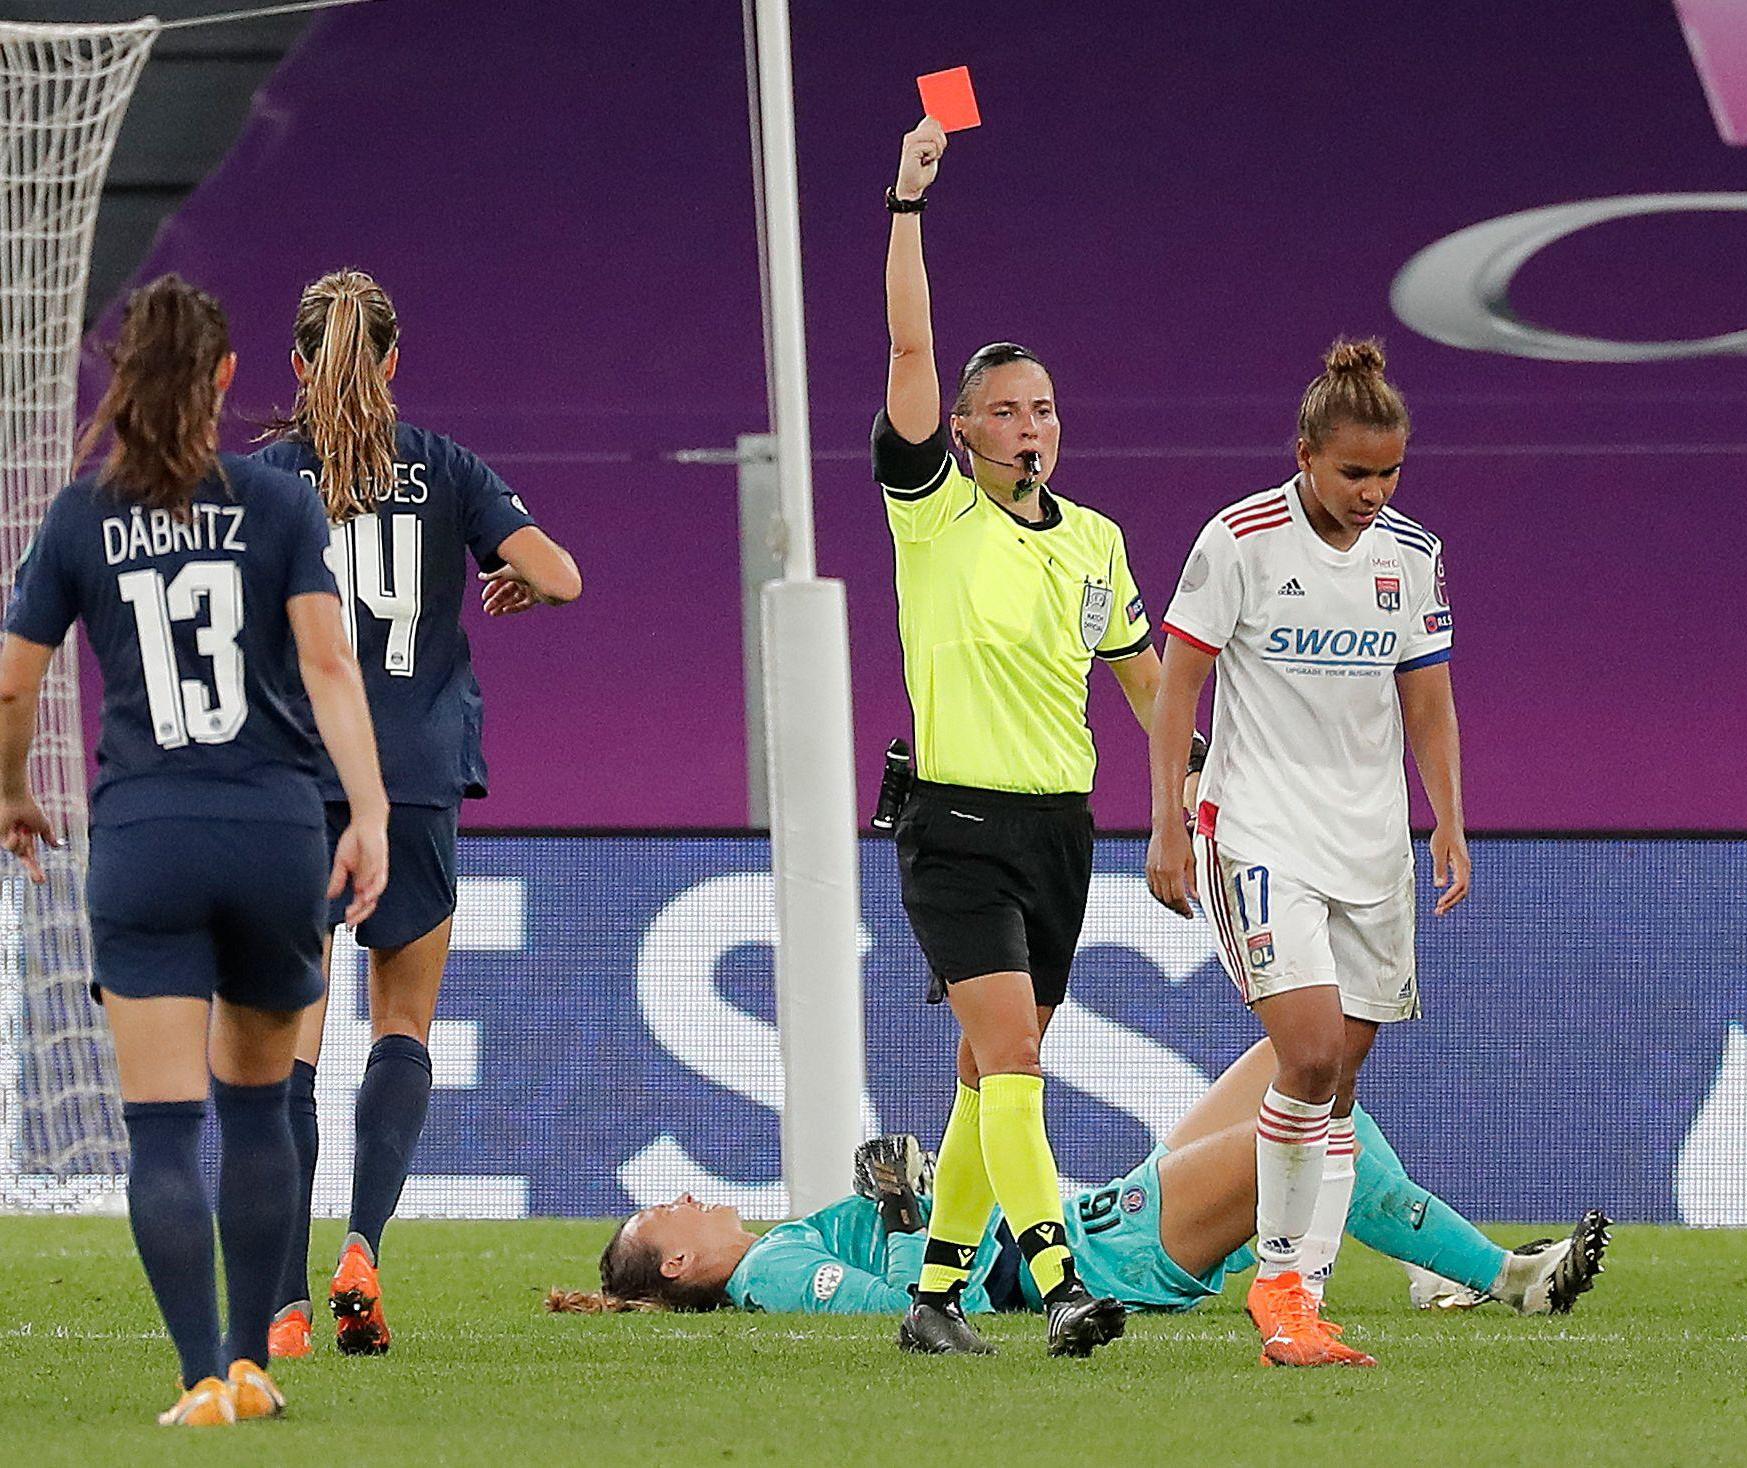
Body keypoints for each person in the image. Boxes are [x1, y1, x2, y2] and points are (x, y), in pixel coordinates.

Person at [0, 275, 389, 1426]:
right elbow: (329, 665)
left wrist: (11, 791)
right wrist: (365, 811)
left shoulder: (81, 517)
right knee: (260, 1108)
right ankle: (256, 1355)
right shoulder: (277, 509)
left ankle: (201, 1379)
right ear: (226, 379)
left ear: (120, 380)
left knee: (162, 1128)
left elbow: (16, 680)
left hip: (148, 835)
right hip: (276, 830)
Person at [875, 117, 1192, 1357]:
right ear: (962, 431)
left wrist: (1186, 783)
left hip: (1063, 829)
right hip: (953, 826)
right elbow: (910, 341)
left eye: (1044, 410)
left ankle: (935, 1299)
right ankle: (1059, 1281)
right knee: (1012, 1054)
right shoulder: (933, 511)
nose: (1028, 427)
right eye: (1003, 410)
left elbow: (1137, 672)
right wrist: (906, 203)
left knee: (986, 1070)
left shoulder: (1096, 540)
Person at [250, 270, 582, 1358]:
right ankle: (363, 1248)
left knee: (288, 1049)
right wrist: (519, 580)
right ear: (395, 361)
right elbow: (562, 576)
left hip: (296, 780)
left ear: (297, 366)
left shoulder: (257, 482)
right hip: (416, 784)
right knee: (402, 1027)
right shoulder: (443, 469)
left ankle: (285, 1305)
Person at [1147, 338, 1466, 1369]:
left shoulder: (1411, 556)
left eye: (1389, 472)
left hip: (1369, 844)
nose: (1374, 492)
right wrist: (1163, 821)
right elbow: (1177, 687)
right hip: (1259, 832)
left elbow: (1427, 699)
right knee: (1312, 1054)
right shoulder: (1238, 540)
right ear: (1304, 456)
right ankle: (1278, 1285)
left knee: (1344, 1075)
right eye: (1355, 472)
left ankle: (1305, 1290)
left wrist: (1447, 820)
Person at [544, 1040, 1608, 1321]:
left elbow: (903, 1253)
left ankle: (1450, 1272)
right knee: (1316, 1118)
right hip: (1101, 1248)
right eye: (666, 1211)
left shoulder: (786, 1242)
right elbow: (913, 1304)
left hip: (1095, 1212)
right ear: (677, 1258)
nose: (684, 1191)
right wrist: (920, 1227)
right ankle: (1508, 1278)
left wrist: (902, 1198)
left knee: (1306, 1073)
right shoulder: (771, 1271)